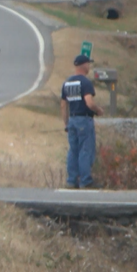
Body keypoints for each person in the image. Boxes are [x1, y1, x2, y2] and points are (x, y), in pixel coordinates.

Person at [60, 54, 105, 188]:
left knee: (73, 151)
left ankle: (72, 180)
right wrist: (98, 110)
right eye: (88, 64)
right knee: (85, 150)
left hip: (72, 119)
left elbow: (63, 105)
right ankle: (85, 180)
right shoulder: (85, 83)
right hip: (84, 119)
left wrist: (66, 123)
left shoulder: (67, 83)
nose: (89, 66)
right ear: (84, 65)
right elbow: (89, 102)